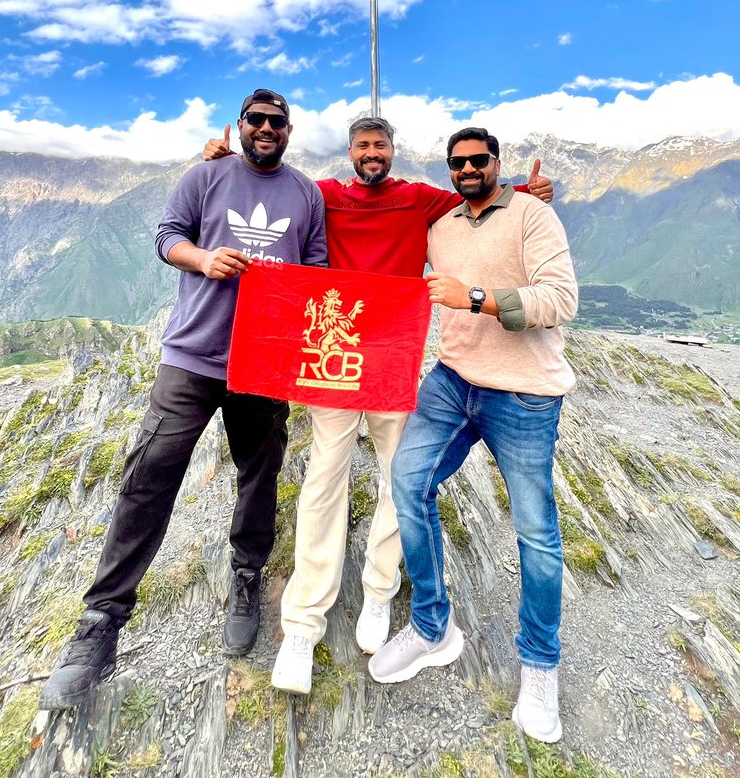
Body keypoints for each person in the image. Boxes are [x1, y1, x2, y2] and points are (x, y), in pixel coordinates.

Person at [202, 116, 554, 696]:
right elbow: (267, 185)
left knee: (401, 479)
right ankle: (303, 622)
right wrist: (223, 161)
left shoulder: (419, 200)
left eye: (380, 145)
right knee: (323, 479)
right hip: (331, 357)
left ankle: (378, 591)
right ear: (350, 152)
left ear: (392, 151)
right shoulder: (322, 195)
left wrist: (527, 192)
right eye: (363, 145)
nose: (372, 153)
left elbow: (483, 195)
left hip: (392, 353)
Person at [39, 89, 328, 710]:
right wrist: (203, 259)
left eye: (278, 122)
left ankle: (246, 576)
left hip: (264, 362)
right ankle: (100, 624)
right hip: (193, 357)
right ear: (241, 125)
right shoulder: (205, 174)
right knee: (147, 477)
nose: (267, 129)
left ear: (290, 129)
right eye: (257, 120)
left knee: (259, 475)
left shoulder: (306, 193)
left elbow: (316, 267)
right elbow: (167, 236)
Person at [368, 126, 577, 747]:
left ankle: (540, 667)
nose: (466, 169)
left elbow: (561, 298)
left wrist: (478, 298)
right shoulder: (442, 227)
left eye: (476, 160)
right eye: (456, 162)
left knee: (535, 532)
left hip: (524, 390)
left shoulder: (533, 215)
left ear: (495, 162)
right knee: (407, 482)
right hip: (454, 381)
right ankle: (434, 628)